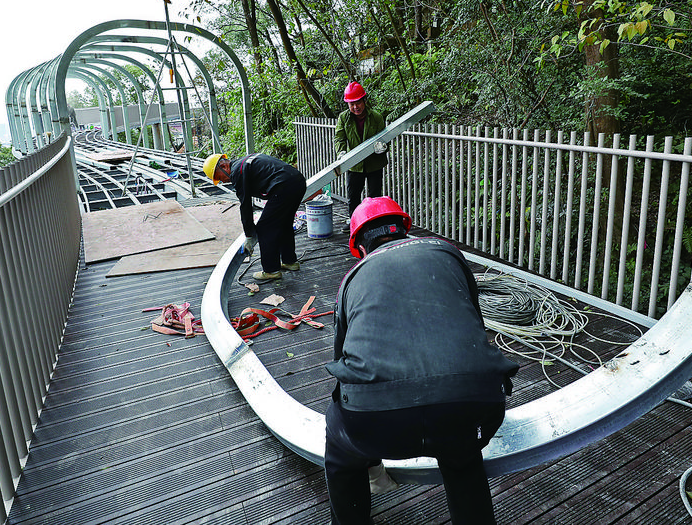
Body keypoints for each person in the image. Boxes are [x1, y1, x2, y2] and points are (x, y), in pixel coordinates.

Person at [324, 196, 518, 524]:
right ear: (404, 228)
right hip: (474, 409)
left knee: (341, 449)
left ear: (359, 245)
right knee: (463, 458)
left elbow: (342, 363)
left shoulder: (353, 277)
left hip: (374, 424)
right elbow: (473, 323)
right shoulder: (447, 253)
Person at [203, 152, 306, 281]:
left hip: (283, 187)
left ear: (224, 166)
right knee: (284, 223)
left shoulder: (237, 172)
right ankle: (290, 261)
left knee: (264, 228)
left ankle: (271, 270)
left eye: (220, 177)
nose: (223, 181)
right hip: (297, 181)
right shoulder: (243, 162)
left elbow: (245, 205)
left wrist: (249, 235)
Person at [334, 81, 389, 219]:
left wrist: (383, 147)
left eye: (358, 102)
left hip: (374, 164)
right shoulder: (344, 118)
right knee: (353, 196)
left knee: (375, 196)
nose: (355, 107)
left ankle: (374, 221)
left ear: (364, 100)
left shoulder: (376, 117)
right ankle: (354, 222)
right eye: (351, 104)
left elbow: (385, 138)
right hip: (354, 165)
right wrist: (341, 152)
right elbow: (339, 138)